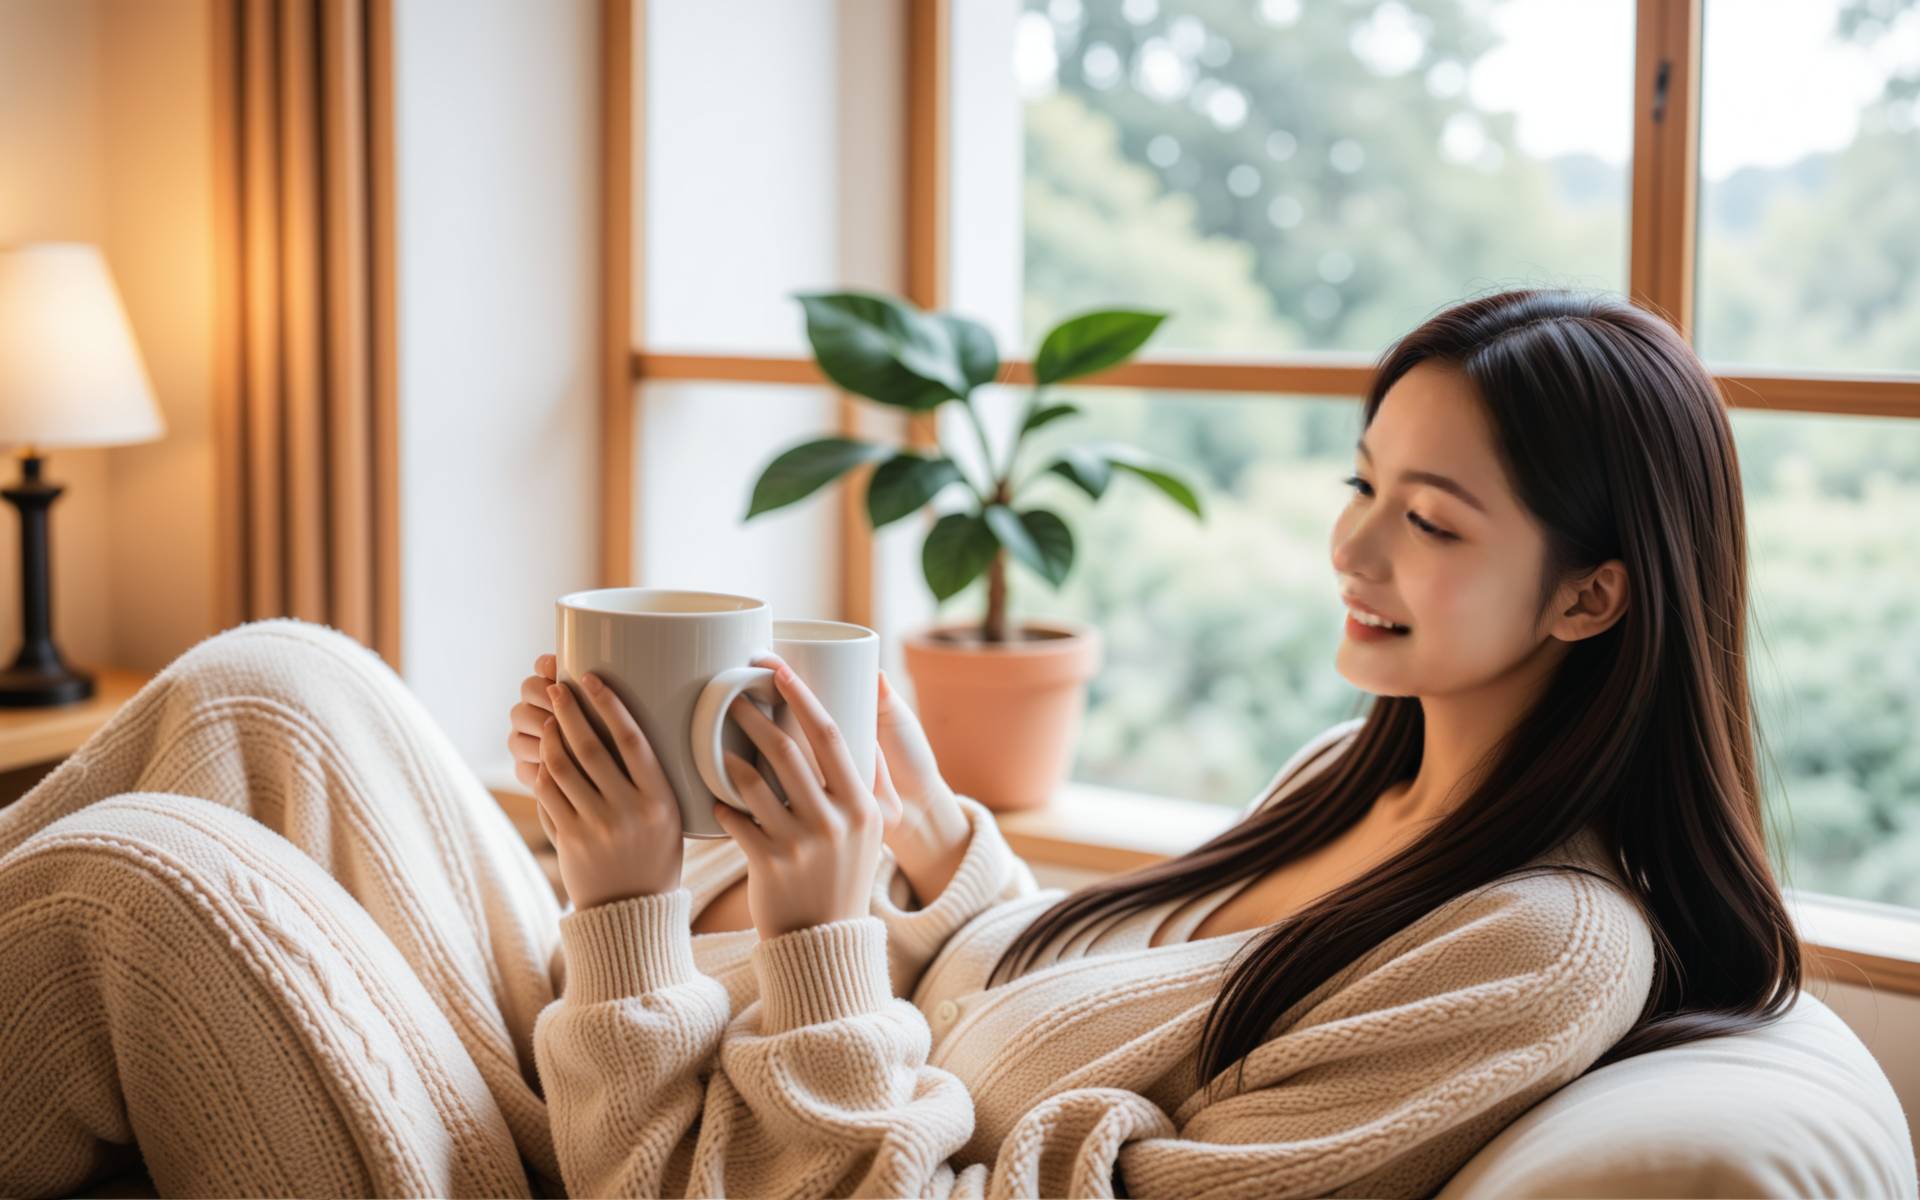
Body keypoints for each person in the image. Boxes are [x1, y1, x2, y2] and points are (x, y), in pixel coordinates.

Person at [0, 287, 1800, 1199]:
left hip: (690, 1167)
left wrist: (699, 914)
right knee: (272, 684)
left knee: (138, 891)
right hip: (685, 1125)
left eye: (1435, 518)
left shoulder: (1539, 947)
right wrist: (940, 852)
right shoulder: (1356, 789)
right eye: (1359, 486)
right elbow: (1076, 1034)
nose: (1351, 548)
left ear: (1594, 597)